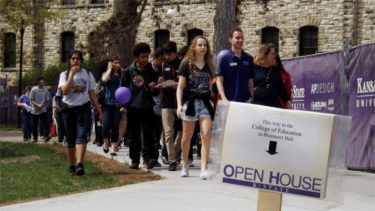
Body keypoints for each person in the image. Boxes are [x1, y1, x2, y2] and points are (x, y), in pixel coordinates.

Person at [176, 36, 215, 180]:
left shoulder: (209, 64)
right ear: (194, 47)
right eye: (200, 45)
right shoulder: (186, 64)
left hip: (205, 103)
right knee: (187, 137)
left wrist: (212, 102)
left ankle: (204, 168)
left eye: (205, 45)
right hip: (190, 103)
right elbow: (180, 87)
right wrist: (179, 105)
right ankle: (185, 164)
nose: (203, 47)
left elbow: (211, 87)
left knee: (206, 134)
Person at [59, 50, 102, 176]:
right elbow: (65, 91)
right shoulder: (64, 74)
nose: (75, 60)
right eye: (72, 58)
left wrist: (99, 110)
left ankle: (79, 164)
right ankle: (71, 165)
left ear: (81, 61)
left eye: (77, 58)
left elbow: (92, 93)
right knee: (70, 139)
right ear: (69, 60)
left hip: (83, 109)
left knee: (82, 136)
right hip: (68, 109)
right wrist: (71, 75)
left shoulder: (88, 74)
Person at [120, 42, 159, 170]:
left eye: (147, 56)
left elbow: (156, 91)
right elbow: (122, 90)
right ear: (136, 57)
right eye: (142, 57)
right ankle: (134, 160)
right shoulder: (128, 71)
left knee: (148, 133)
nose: (145, 59)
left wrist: (155, 86)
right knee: (134, 134)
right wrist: (122, 105)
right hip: (133, 107)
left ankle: (149, 159)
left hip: (147, 106)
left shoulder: (151, 70)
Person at [158, 41, 183, 171]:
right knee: (168, 132)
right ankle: (172, 160)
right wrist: (160, 82)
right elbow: (159, 79)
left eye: (169, 55)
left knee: (182, 132)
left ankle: (177, 152)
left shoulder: (183, 64)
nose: (167, 57)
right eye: (165, 55)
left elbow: (186, 83)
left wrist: (174, 84)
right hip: (166, 103)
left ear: (175, 53)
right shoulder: (162, 65)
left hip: (180, 103)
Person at [216, 27, 254, 102]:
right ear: (230, 39)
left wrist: (252, 97)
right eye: (237, 38)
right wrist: (224, 98)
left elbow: (250, 80)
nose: (240, 40)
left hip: (245, 101)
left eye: (242, 38)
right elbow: (219, 80)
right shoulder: (223, 57)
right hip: (228, 101)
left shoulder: (249, 58)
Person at [252, 44, 291, 108]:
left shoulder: (276, 71)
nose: (275, 56)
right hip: (256, 108)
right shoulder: (253, 69)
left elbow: (282, 91)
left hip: (273, 109)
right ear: (265, 55)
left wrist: (289, 105)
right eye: (273, 54)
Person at [100, 57, 122, 156]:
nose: (117, 64)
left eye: (118, 63)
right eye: (115, 63)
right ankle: (105, 142)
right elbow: (104, 81)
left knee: (115, 126)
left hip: (117, 104)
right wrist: (109, 69)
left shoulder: (122, 75)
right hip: (106, 104)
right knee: (106, 125)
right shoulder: (106, 73)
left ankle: (113, 148)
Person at [29, 77, 50, 143]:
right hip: (35, 110)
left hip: (42, 109)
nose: (44, 82)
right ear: (39, 82)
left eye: (44, 81)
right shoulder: (34, 89)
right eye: (42, 81)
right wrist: (37, 105)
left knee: (44, 123)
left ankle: (46, 136)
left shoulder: (45, 90)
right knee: (34, 125)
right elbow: (32, 100)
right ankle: (35, 138)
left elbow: (47, 100)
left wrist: (42, 105)